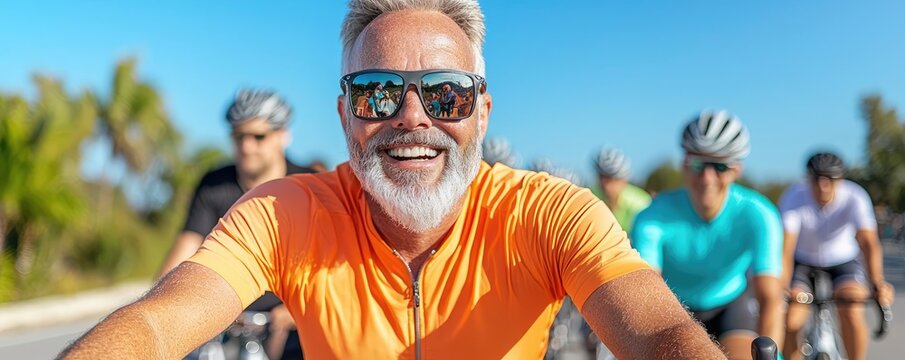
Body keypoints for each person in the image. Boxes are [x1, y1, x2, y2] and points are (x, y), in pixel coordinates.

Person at [60, 1, 722, 359]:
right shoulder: (284, 213)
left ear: (482, 111)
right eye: (377, 94)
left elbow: (656, 332)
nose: (411, 119)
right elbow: (153, 326)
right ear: (345, 114)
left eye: (446, 95)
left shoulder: (548, 213)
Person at [156, 89, 315, 359]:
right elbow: (186, 248)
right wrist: (158, 303)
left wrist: (298, 308)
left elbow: (333, 259)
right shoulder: (214, 185)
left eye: (258, 136)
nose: (247, 146)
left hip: (291, 319)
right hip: (226, 314)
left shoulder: (309, 186)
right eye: (238, 136)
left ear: (283, 136)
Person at [631, 110, 786, 359]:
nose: (707, 177)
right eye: (698, 164)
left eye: (720, 165)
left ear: (736, 169)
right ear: (684, 164)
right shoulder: (652, 217)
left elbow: (770, 297)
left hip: (730, 307)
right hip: (673, 310)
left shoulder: (759, 214)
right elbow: (647, 295)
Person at [779, 152, 895, 360]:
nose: (823, 186)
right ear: (808, 178)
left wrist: (878, 283)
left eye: (830, 179)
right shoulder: (794, 196)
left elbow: (868, 243)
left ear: (841, 179)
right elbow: (785, 247)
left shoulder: (855, 196)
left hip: (843, 259)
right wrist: (783, 286)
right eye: (816, 179)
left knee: (851, 306)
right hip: (803, 260)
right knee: (792, 318)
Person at [591, 147, 651, 234]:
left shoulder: (641, 203)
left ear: (624, 180)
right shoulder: (590, 195)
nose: (605, 185)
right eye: (601, 177)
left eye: (611, 179)